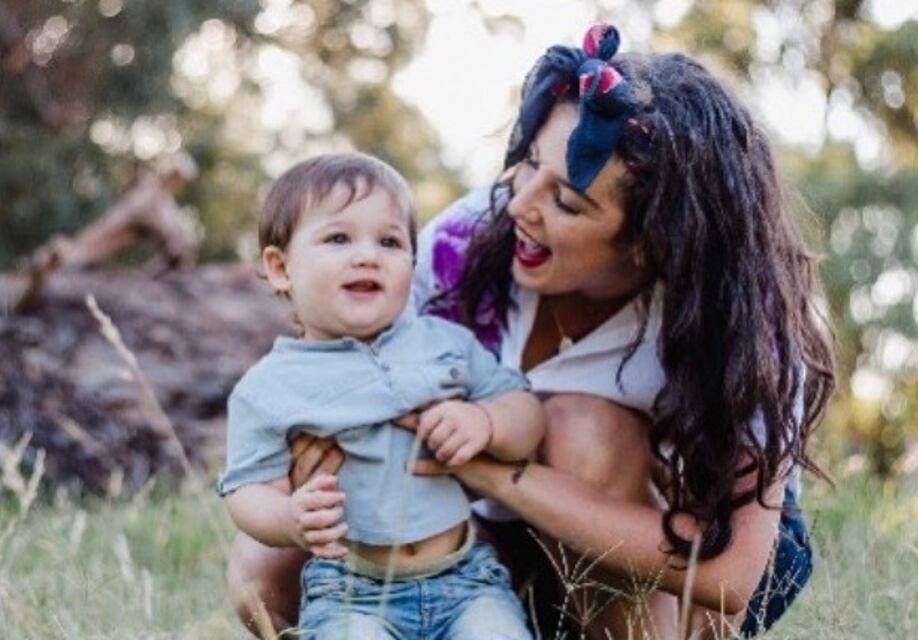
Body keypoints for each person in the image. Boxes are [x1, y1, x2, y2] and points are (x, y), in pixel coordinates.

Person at [226, 24, 836, 640]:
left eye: (567, 203)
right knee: (262, 566)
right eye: (529, 165)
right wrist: (322, 454)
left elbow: (731, 579)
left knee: (582, 426)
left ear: (652, 244)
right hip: (488, 541)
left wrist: (496, 475)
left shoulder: (743, 328)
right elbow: (361, 367)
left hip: (679, 567)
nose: (520, 205)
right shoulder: (465, 245)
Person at [219, 152, 546, 640]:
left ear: (412, 263)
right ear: (280, 267)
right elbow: (247, 490)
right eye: (338, 238)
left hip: (466, 578)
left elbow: (525, 411)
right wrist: (288, 518)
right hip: (350, 587)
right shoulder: (269, 386)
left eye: (390, 241)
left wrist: (487, 422)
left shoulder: (445, 343)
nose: (368, 255)